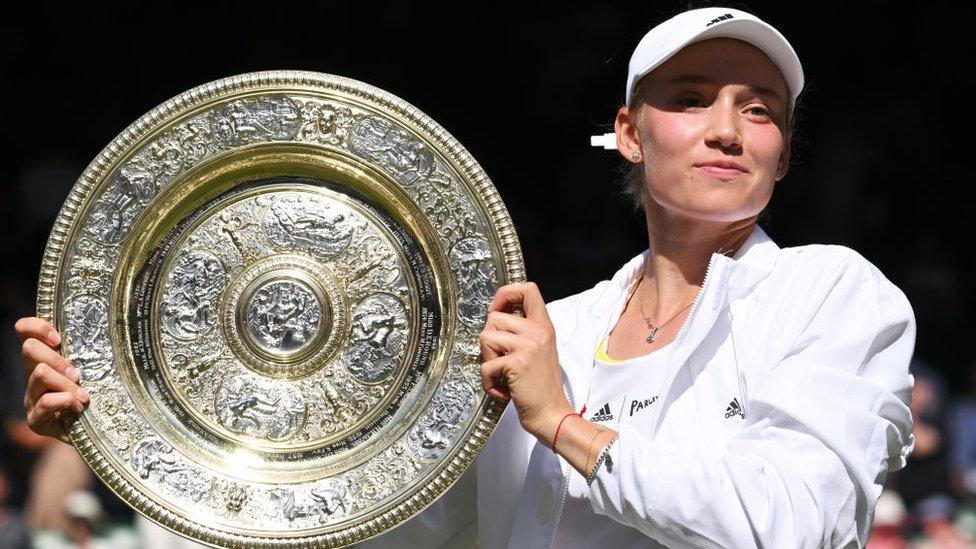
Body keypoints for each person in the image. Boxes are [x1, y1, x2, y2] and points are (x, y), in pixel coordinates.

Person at [16, 7, 915, 548]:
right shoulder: (546, 327)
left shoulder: (830, 294)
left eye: (760, 113)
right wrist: (139, 432)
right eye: (691, 99)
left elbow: (794, 524)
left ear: (783, 156)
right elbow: (395, 529)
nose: (727, 129)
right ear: (632, 132)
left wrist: (563, 424)